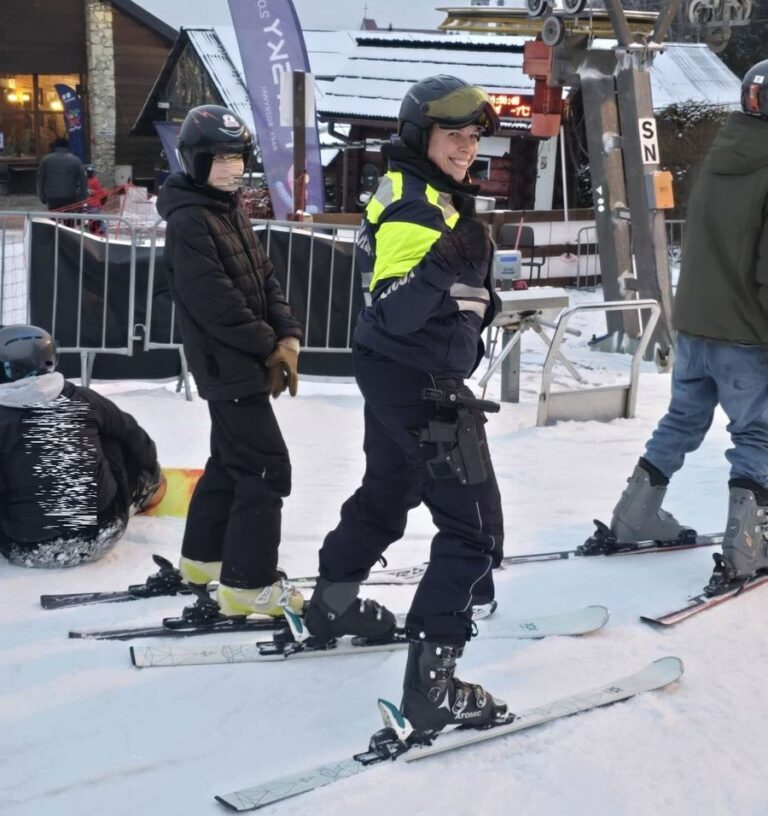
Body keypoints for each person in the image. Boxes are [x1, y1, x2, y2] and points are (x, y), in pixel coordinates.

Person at [303, 75, 506, 737]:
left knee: (389, 489)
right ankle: (434, 691)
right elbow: (397, 313)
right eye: (455, 135)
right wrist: (447, 263)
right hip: (421, 383)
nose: (467, 147)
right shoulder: (416, 205)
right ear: (423, 136)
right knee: (473, 531)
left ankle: (331, 605)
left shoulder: (423, 191)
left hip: (394, 375)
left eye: (474, 136)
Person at [590, 59, 768, 596]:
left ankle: (634, 516)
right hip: (747, 332)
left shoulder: (723, 153)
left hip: (694, 324)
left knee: (683, 421)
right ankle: (749, 547)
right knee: (757, 434)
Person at [156, 104, 305, 619]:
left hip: (246, 362)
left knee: (230, 463)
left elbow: (265, 278)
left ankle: (205, 560)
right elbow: (216, 303)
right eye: (219, 159)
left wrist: (287, 336)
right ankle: (247, 585)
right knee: (266, 469)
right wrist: (268, 346)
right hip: (228, 367)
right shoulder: (190, 221)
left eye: (238, 157)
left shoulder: (227, 209)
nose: (231, 168)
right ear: (194, 161)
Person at [0, 325, 163, 568]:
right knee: (112, 435)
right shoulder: (83, 399)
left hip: (25, 548)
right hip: (103, 533)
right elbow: (137, 439)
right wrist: (150, 470)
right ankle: (144, 491)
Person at [36, 137, 88, 212]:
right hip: (70, 197)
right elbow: (83, 180)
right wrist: (82, 198)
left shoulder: (46, 160)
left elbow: (40, 179)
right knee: (70, 220)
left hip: (52, 197)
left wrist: (42, 196)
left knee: (54, 221)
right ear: (67, 146)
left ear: (54, 147)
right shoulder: (76, 160)